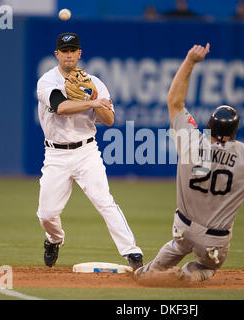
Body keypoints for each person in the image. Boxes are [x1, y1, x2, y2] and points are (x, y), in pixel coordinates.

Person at [134, 43, 244, 282]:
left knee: (177, 246)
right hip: (214, 239)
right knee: (206, 267)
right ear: (235, 132)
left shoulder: (191, 140)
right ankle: (187, 277)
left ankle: (152, 272)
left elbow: (174, 101)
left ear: (208, 125)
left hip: (182, 228)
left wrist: (190, 61)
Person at [36, 33, 143, 270]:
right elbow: (60, 107)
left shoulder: (94, 83)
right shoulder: (47, 81)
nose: (69, 55)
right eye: (64, 51)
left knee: (104, 200)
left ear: (79, 53)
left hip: (87, 151)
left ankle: (132, 252)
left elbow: (110, 119)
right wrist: (91, 103)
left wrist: (97, 102)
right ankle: (54, 239)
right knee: (46, 214)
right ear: (57, 54)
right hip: (56, 154)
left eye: (73, 50)